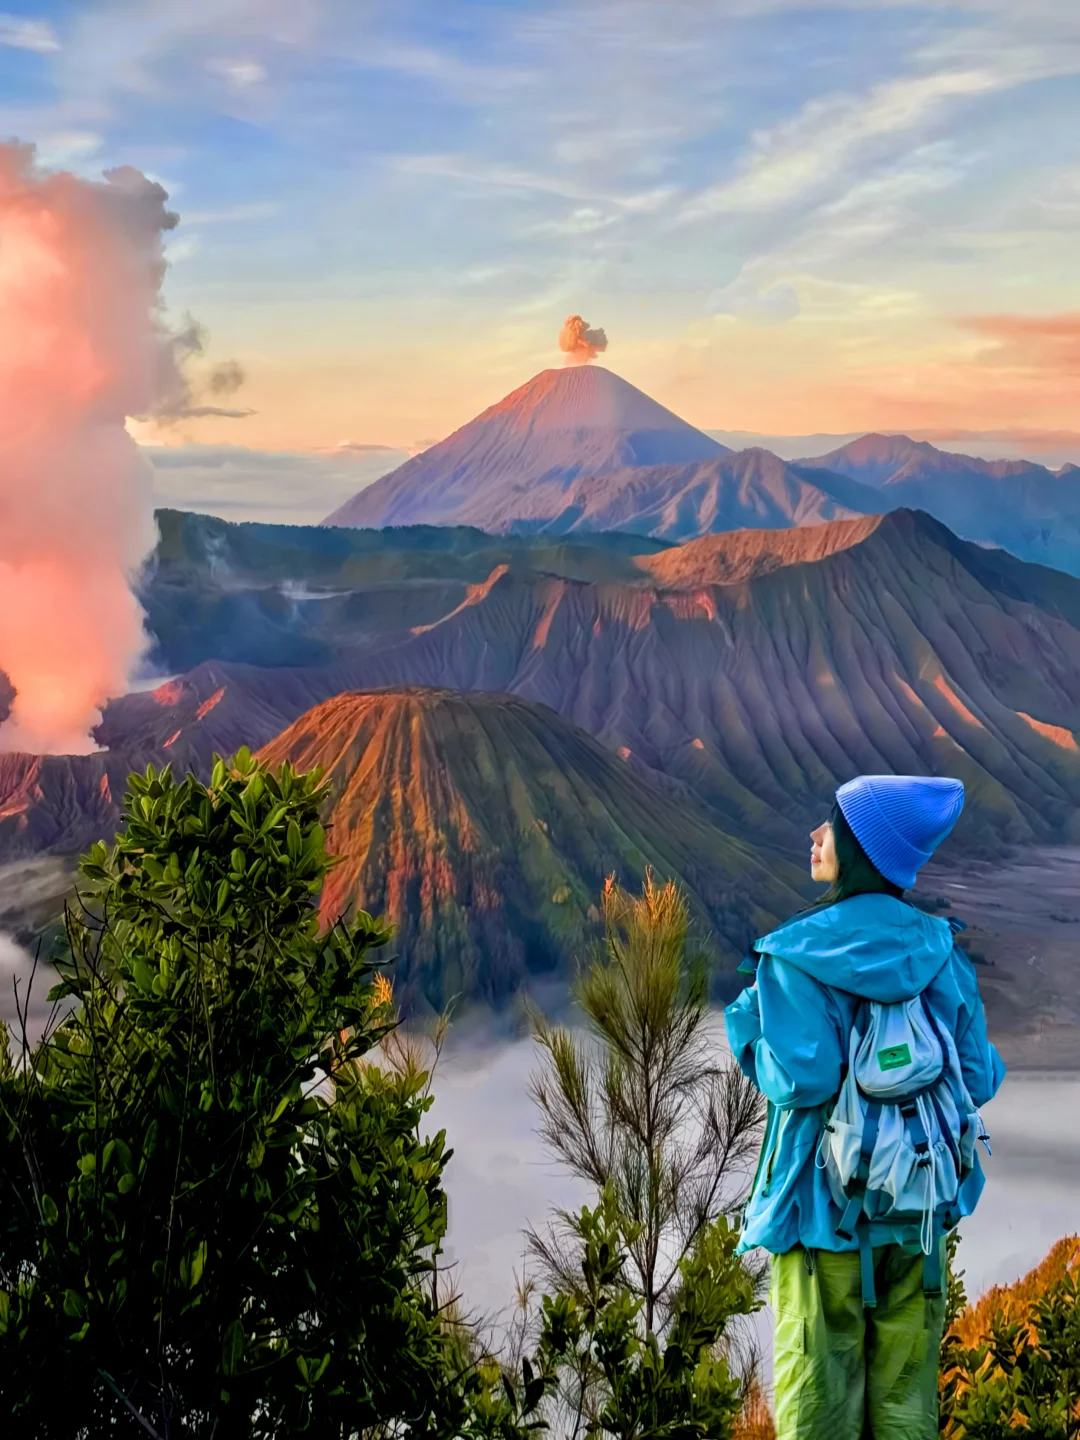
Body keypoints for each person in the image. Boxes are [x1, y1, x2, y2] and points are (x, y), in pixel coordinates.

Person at [725, 775, 1005, 1440]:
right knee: (906, 1413)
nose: (815, 835)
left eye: (832, 824)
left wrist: (748, 1033)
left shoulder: (797, 954)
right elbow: (977, 1076)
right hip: (916, 1215)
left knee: (818, 1414)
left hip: (823, 1219)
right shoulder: (940, 950)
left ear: (862, 849)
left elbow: (801, 1079)